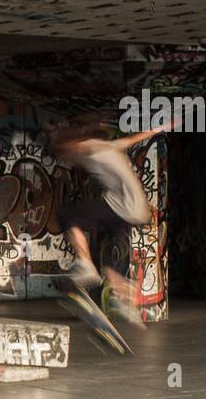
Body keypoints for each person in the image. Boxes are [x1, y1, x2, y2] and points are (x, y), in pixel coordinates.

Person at [48, 112, 174, 323]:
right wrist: (161, 128)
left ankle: (85, 266)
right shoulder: (110, 146)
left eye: (67, 154)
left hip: (121, 207)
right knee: (110, 263)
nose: (69, 159)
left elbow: (78, 145)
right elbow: (135, 139)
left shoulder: (89, 147)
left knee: (67, 214)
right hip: (135, 212)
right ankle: (124, 300)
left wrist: (61, 138)